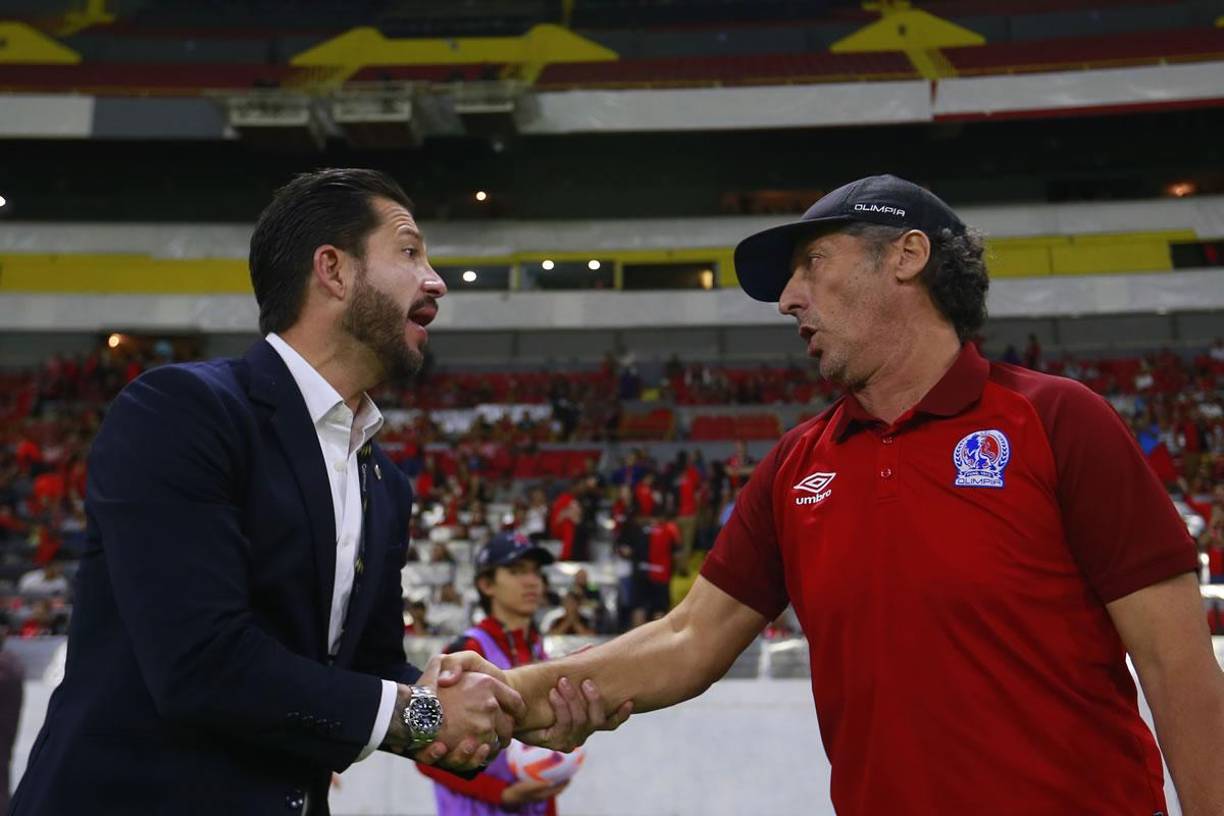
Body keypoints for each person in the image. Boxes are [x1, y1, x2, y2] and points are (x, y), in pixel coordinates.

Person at [502, 175, 1224, 814]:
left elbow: (1176, 663)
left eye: (812, 264)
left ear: (906, 257)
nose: (788, 300)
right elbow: (689, 639)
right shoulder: (794, 466)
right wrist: (520, 695)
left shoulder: (1057, 420)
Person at [11, 169, 595, 815]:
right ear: (333, 271)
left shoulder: (384, 481)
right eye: (409, 251)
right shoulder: (182, 411)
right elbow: (201, 663)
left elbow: (362, 671)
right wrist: (425, 716)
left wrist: (501, 701)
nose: (436, 280)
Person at [420, 533, 568, 816]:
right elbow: (425, 755)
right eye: (516, 571)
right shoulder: (467, 651)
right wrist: (503, 793)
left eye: (536, 571)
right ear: (486, 584)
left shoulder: (540, 652)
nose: (532, 581)